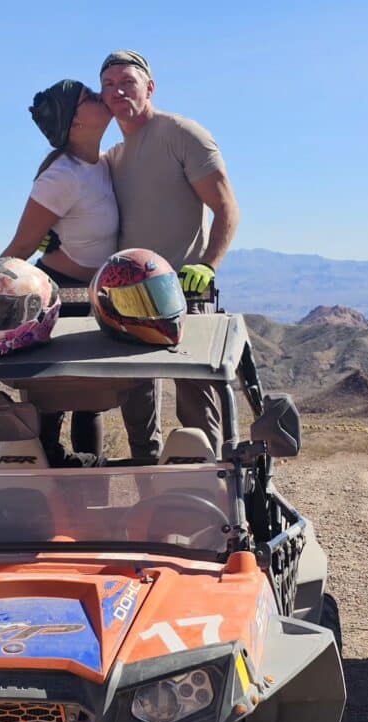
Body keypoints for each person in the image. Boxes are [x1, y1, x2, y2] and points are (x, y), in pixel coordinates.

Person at [100, 50, 240, 459]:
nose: (118, 91)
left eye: (127, 81)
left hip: (184, 292)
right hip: (128, 298)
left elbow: (227, 207)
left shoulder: (182, 134)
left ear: (150, 86)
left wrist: (207, 266)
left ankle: (208, 496)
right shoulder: (114, 157)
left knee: (197, 406)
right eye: (109, 85)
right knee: (137, 404)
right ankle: (150, 495)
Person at [0, 79, 117, 459]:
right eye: (88, 97)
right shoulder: (61, 176)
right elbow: (21, 246)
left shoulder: (103, 164)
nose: (99, 96)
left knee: (90, 400)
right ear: (74, 123)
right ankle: (39, 496)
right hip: (58, 298)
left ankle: (89, 495)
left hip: (94, 299)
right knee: (50, 403)